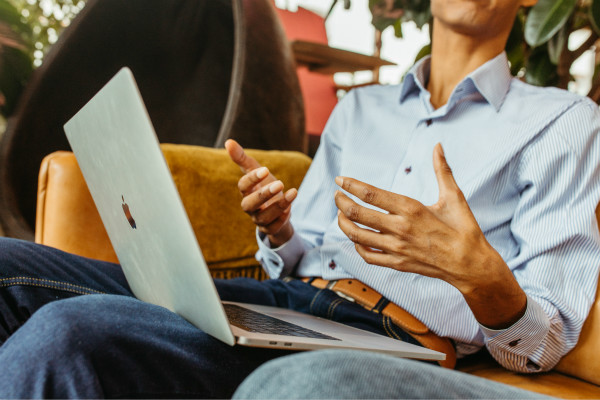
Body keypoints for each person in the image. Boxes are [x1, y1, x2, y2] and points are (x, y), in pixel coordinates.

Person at [0, 0, 598, 397]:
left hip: (394, 341)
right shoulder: (360, 110)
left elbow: (545, 343)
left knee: (67, 333)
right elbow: (303, 254)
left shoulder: (563, 123)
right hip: (285, 301)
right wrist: (280, 230)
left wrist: (481, 276)